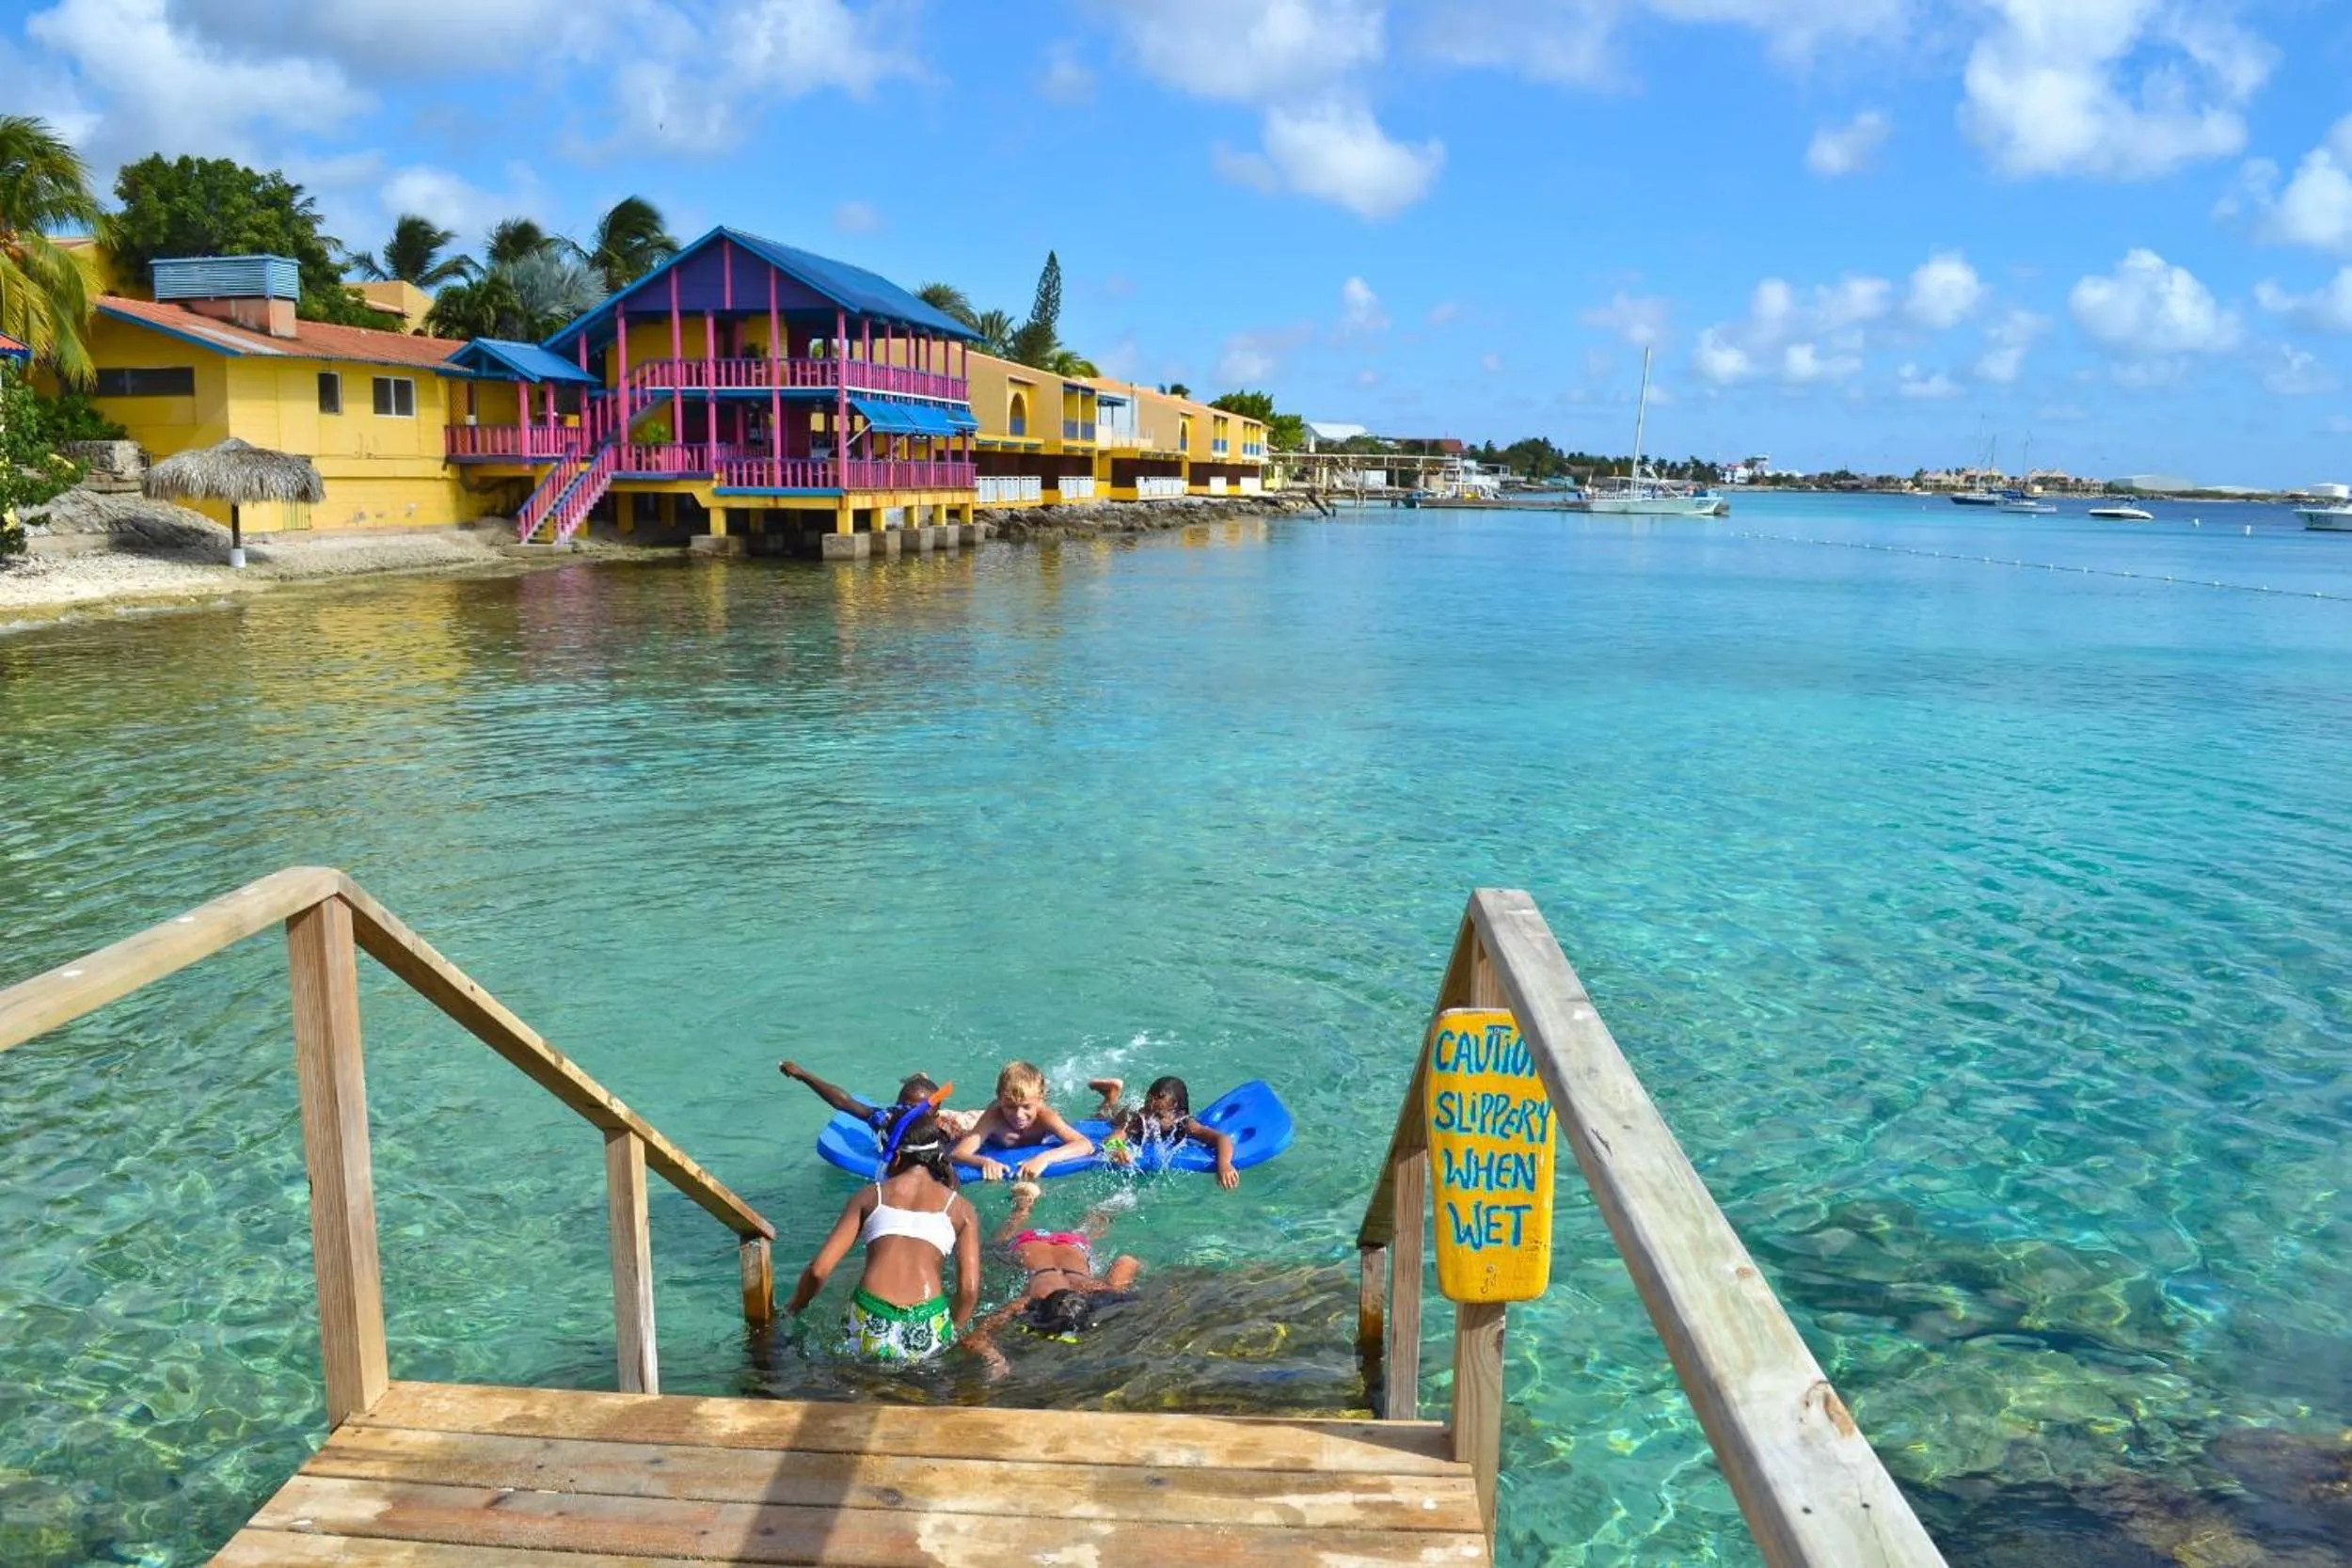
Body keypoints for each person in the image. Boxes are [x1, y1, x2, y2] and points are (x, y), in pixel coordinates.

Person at [784, 1101, 981, 1362]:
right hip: (927, 1321)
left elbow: (819, 1270)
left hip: (871, 1317)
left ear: (896, 1157)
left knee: (862, 1384)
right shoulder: (961, 1208)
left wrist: (793, 1309)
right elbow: (968, 1289)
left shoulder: (870, 1196)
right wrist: (954, 1328)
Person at [963, 1180, 1141, 1378]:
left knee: (1090, 1231)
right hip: (1032, 1243)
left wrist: (1117, 1287)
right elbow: (973, 1338)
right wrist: (994, 1360)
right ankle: (1023, 1206)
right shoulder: (1028, 1302)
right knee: (999, 1244)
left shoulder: (1095, 1289)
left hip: (1067, 1244)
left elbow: (1127, 1260)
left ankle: (1024, 1206)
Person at [949, 1060, 1096, 1181]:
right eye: (1010, 1107)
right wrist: (984, 1162)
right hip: (978, 1121)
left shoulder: (1045, 1116)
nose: (1019, 1115)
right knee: (951, 1127)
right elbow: (957, 1154)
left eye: (1026, 1107)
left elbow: (1085, 1145)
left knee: (1100, 1120)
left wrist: (1044, 1159)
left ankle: (1110, 1098)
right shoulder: (994, 1116)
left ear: (1040, 1100)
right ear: (1000, 1099)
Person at [1089, 1074, 1239, 1188]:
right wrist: (1118, 1148)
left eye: (1159, 1116)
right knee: (1103, 1118)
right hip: (1122, 1117)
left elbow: (1222, 1139)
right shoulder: (1138, 1119)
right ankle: (1111, 1096)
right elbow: (1112, 1138)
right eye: (1148, 1111)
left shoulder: (1186, 1124)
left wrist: (1224, 1165)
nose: (1150, 1119)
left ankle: (1112, 1094)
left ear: (1178, 1114)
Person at [781, 1060, 980, 1138]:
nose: (906, 1113)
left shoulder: (949, 1130)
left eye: (914, 1109)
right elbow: (844, 1102)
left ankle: (921, 1079)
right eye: (903, 1105)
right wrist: (803, 1075)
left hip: (956, 1119)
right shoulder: (890, 1119)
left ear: (933, 1113)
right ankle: (920, 1080)